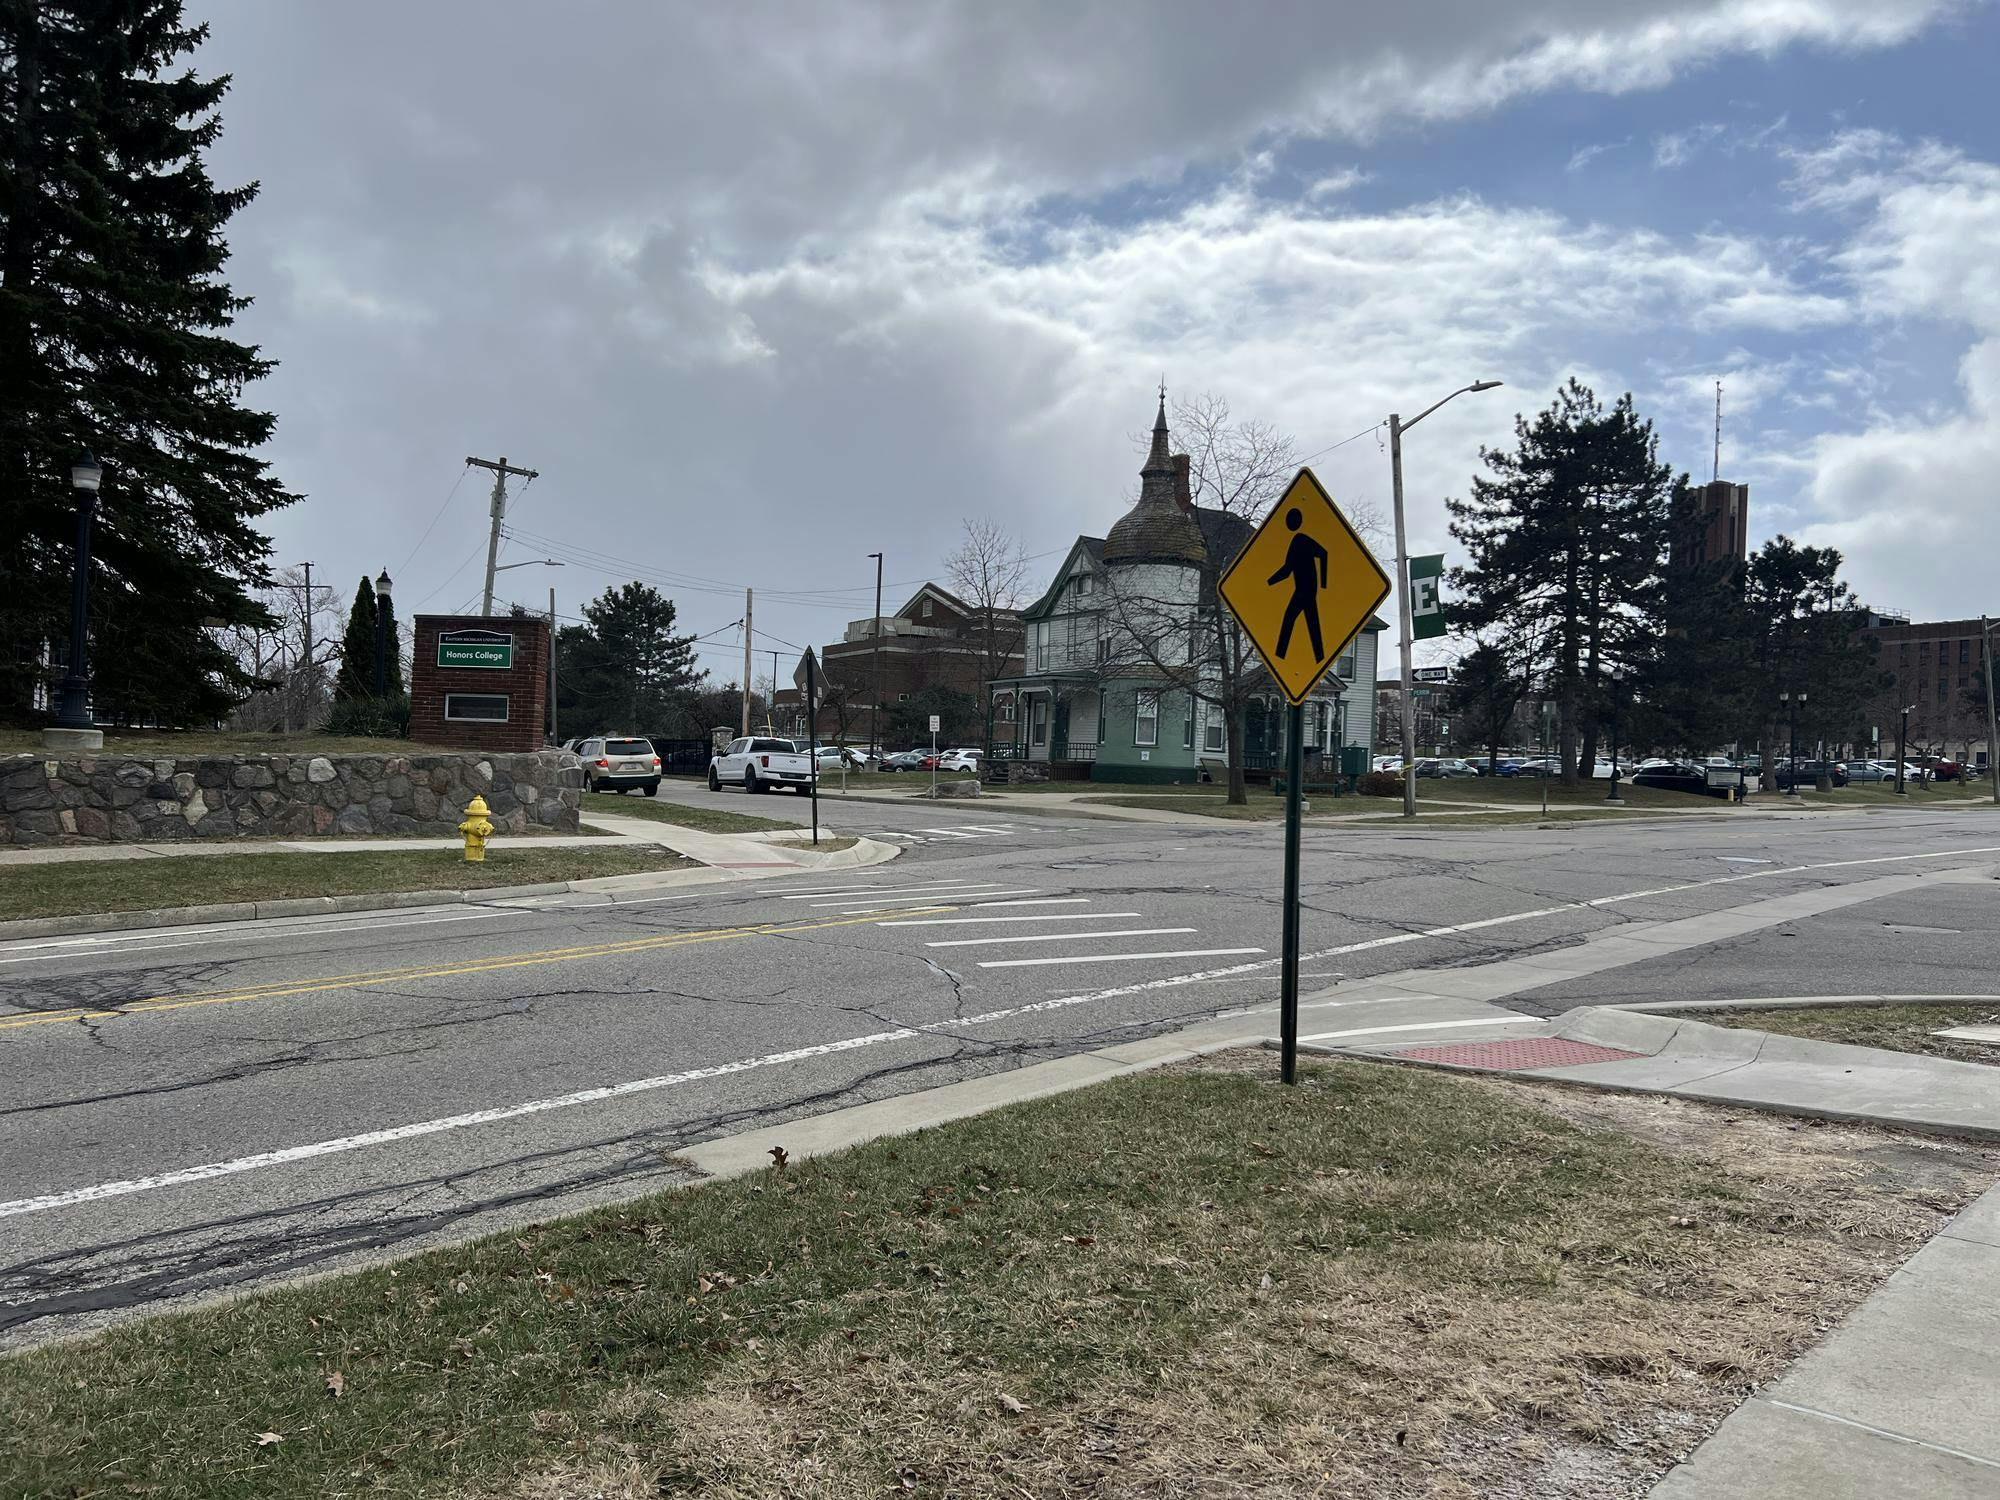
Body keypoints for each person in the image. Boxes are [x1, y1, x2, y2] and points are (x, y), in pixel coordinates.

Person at [1268, 508, 1328, 661]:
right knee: (1312, 626)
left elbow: (1324, 553)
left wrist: (1323, 584)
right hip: (1303, 590)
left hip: (1306, 591)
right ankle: (1318, 657)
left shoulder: (1301, 540)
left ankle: (1280, 655)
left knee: (1290, 619)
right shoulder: (1296, 541)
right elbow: (1287, 570)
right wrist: (1268, 582)